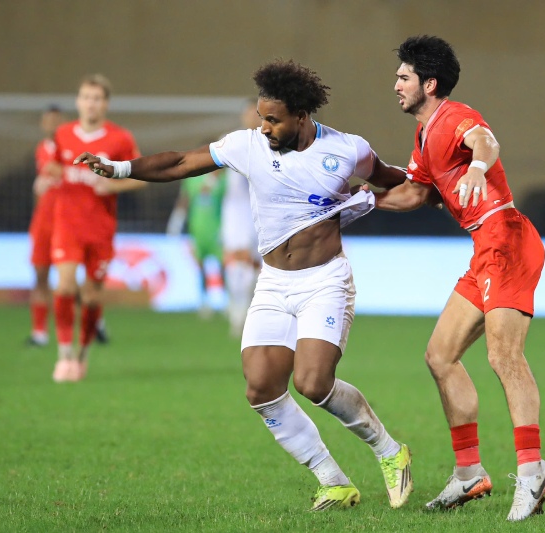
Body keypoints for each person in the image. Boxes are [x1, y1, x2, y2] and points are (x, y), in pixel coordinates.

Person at [75, 60, 413, 511]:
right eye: (261, 117)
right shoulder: (247, 145)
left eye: (273, 119)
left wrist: (388, 198)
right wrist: (117, 169)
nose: (264, 127)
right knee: (261, 387)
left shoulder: (347, 151)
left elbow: (397, 183)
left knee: (313, 383)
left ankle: (391, 452)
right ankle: (332, 480)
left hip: (325, 281)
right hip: (273, 282)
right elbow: (180, 162)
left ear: (301, 115)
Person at [372, 35, 545, 521]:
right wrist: (356, 203)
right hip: (485, 248)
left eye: (403, 77)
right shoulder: (424, 133)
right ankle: (470, 473)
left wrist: (478, 165)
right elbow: (416, 195)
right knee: (440, 355)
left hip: (508, 239)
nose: (395, 85)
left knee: (504, 355)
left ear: (429, 84)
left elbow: (487, 142)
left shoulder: (453, 117)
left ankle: (532, 469)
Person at [49, 74, 145, 382]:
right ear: (78, 101)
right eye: (85, 97)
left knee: (91, 296)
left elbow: (142, 175)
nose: (90, 103)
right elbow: (52, 166)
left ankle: (81, 355)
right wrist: (47, 175)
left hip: (100, 229)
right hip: (67, 225)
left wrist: (114, 186)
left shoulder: (120, 139)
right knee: (64, 286)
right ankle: (63, 355)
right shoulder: (62, 134)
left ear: (106, 104)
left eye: (97, 98)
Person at [221, 99, 262, 336]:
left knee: (258, 267)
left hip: (261, 212)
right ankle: (237, 309)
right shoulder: (231, 141)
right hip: (236, 213)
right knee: (237, 263)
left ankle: (252, 311)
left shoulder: (273, 142)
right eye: (249, 113)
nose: (253, 117)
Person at [27, 105, 65, 347]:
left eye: (56, 120)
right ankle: (39, 333)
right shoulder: (41, 149)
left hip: (66, 223)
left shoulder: (73, 151)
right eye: (47, 120)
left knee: (67, 281)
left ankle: (94, 319)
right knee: (40, 276)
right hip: (43, 222)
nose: (51, 124)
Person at [166, 164, 226, 318]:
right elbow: (185, 200)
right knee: (200, 267)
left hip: (217, 230)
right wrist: (176, 221)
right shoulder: (192, 179)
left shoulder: (224, 179)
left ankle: (226, 300)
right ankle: (204, 302)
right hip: (197, 230)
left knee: (223, 266)